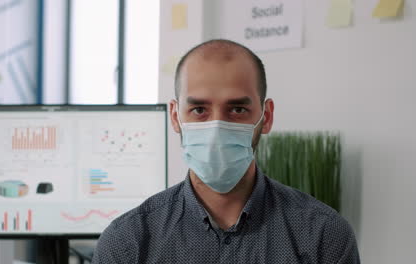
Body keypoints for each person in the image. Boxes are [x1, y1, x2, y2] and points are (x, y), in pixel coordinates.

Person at [91, 39, 360, 263]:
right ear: (175, 116)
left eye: (237, 109)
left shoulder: (323, 235)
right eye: (199, 110)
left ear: (266, 117)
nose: (217, 126)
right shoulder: (127, 243)